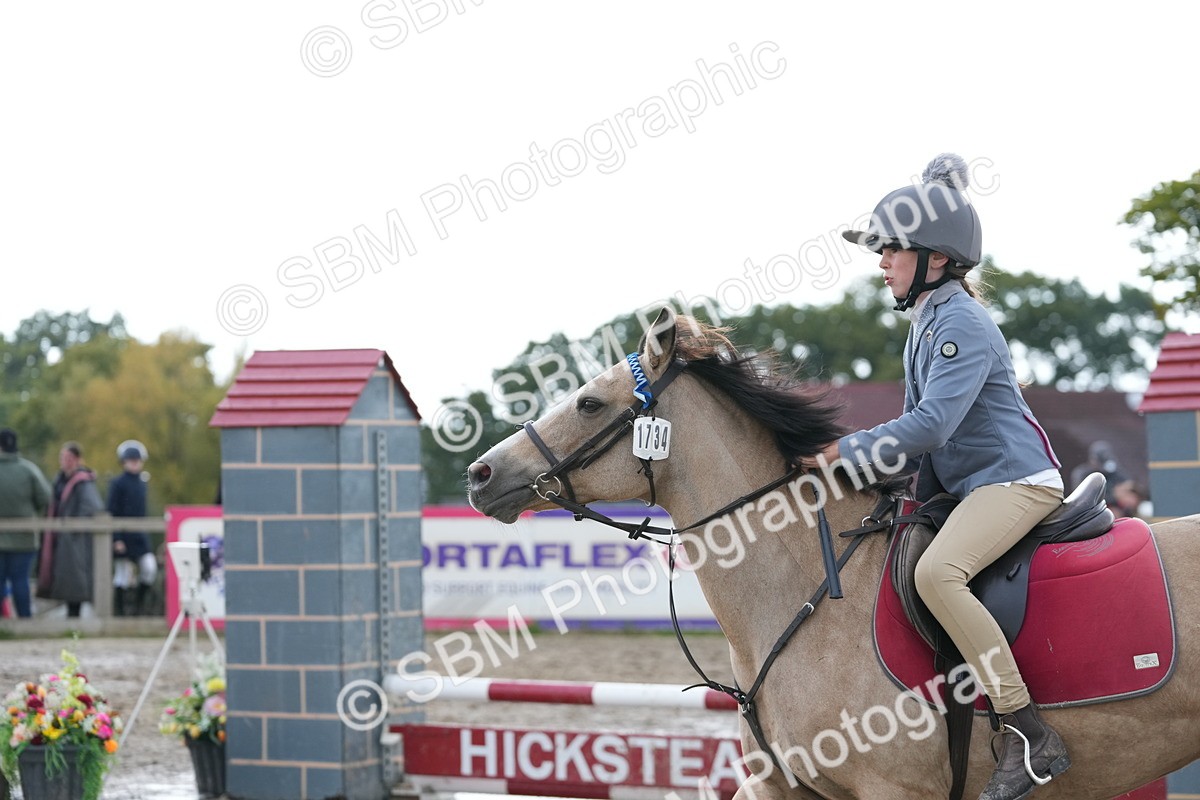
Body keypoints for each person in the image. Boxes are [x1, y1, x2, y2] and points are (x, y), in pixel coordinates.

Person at [801, 154, 1070, 799]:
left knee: (936, 574)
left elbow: (929, 427)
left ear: (937, 258)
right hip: (970, 486)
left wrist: (847, 452)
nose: (881, 261)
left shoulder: (959, 322)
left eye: (891, 250)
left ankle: (1025, 727)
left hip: (1015, 482)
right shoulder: (927, 319)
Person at [36, 441, 104, 617]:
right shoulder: (59, 480)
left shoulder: (83, 482)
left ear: (78, 460)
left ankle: (75, 617)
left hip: (75, 540)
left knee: (75, 581)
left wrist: (72, 526)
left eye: (69, 458)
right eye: (63, 458)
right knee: (64, 580)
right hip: (59, 537)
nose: (66, 461)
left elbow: (90, 507)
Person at [0, 428, 52, 618]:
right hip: (24, 538)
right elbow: (44, 498)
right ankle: (24, 621)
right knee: (20, 581)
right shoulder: (29, 469)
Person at [108, 439, 156, 616]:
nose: (135, 463)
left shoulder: (143, 483)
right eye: (131, 460)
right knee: (122, 575)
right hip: (123, 536)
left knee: (149, 568)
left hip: (139, 536)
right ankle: (119, 613)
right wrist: (117, 538)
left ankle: (139, 608)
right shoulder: (117, 483)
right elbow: (112, 512)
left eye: (137, 460)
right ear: (124, 462)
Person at [1070, 440, 1141, 518]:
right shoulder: (1083, 474)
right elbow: (1084, 500)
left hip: (1117, 509)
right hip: (1091, 512)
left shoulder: (1114, 471)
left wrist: (1130, 492)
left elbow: (1128, 485)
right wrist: (1113, 497)